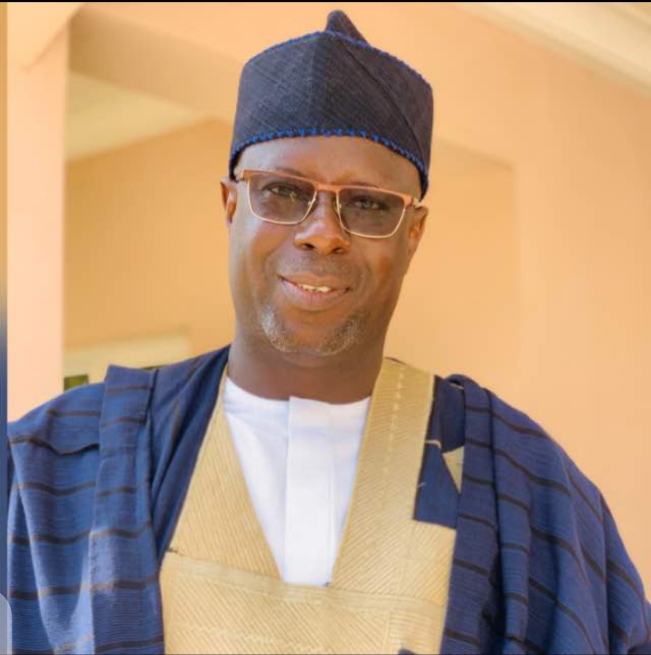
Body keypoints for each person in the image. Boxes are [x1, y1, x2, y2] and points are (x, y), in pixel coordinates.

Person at [7, 9, 650, 655]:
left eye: (368, 204)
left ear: (413, 234)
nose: (322, 232)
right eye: (282, 192)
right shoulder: (52, 467)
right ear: (230, 206)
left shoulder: (522, 485)